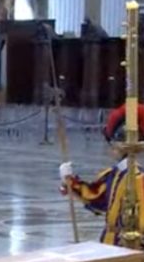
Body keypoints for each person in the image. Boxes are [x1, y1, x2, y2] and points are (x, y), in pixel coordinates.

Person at [60, 104, 144, 245]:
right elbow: (96, 196)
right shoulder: (115, 174)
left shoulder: (139, 178)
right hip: (108, 244)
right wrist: (70, 181)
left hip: (128, 247)